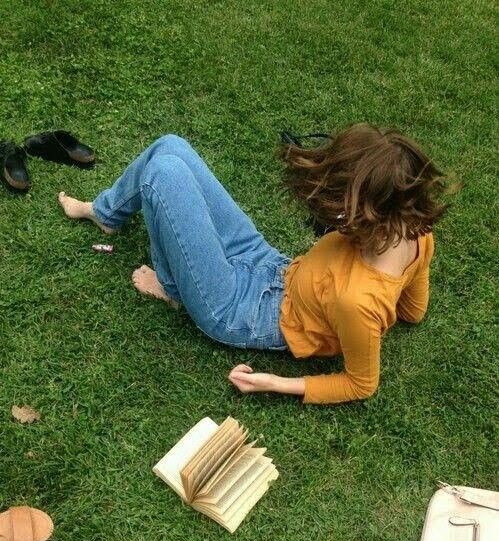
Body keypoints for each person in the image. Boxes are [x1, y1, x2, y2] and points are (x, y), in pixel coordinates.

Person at [58, 124, 448, 404]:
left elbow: (360, 384)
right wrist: (403, 308)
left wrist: (274, 383)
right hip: (271, 266)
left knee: (163, 175)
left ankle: (172, 288)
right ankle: (107, 214)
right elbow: (414, 311)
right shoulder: (414, 234)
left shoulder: (357, 301)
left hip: (239, 310)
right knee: (171, 146)